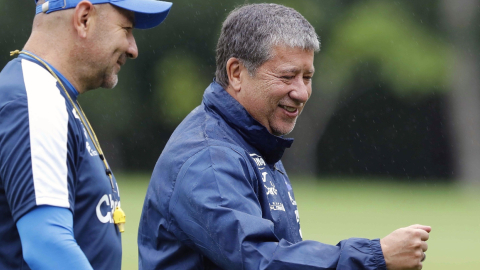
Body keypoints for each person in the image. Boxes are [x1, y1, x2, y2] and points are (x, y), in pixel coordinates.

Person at [138, 3, 430, 270]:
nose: (301, 93)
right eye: (287, 76)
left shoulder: (254, 140)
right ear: (237, 73)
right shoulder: (211, 158)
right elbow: (260, 260)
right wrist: (374, 256)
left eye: (307, 77)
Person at [0, 0, 172, 269]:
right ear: (83, 19)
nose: (133, 48)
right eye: (126, 29)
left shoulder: (48, 94)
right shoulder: (36, 99)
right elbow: (47, 245)